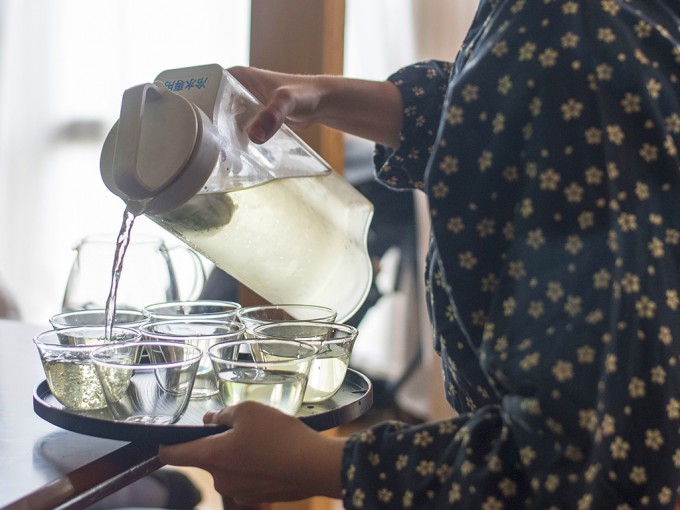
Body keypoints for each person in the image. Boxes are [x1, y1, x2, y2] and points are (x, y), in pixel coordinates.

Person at [158, 1, 680, 508]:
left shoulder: (579, 27)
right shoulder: (561, 29)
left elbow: (586, 464)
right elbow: (501, 108)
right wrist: (317, 97)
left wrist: (311, 464)